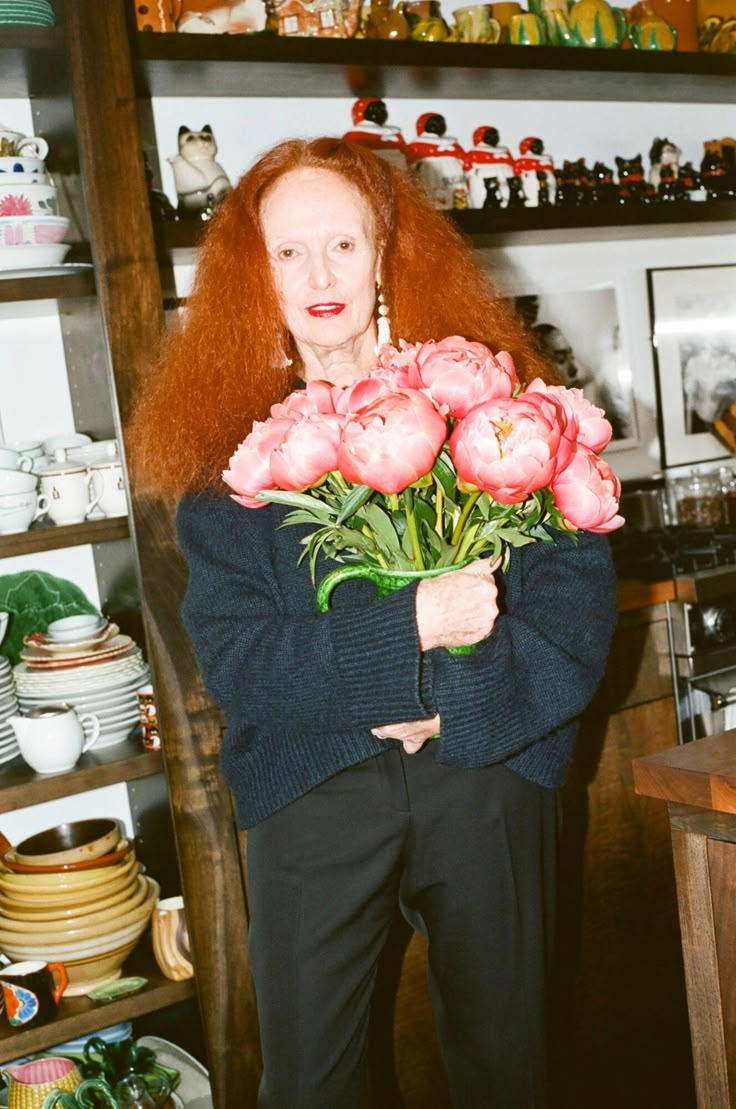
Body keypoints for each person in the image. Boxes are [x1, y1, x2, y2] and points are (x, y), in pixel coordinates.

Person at [128, 137, 618, 1109]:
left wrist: (453, 699)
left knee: (510, 1064)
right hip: (311, 788)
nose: (320, 275)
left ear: (386, 255)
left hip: (485, 769)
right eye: (289, 252)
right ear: (252, 276)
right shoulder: (224, 463)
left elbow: (571, 612)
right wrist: (409, 637)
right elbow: (240, 661)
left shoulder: (496, 415)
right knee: (310, 1081)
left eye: (343, 245)